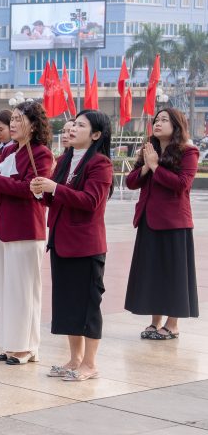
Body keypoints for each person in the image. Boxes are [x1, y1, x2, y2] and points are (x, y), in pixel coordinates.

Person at [31, 110, 114, 382]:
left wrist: (54, 187)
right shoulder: (65, 159)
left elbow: (91, 201)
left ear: (96, 135)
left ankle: (90, 363)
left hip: (86, 245)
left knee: (88, 304)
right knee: (68, 303)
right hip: (62, 241)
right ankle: (75, 358)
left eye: (81, 125)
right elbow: (56, 200)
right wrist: (42, 192)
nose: (73, 129)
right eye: (74, 124)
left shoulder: (100, 164)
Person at [0, 101, 52, 365]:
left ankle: (27, 347)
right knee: (5, 290)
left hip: (26, 229)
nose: (13, 124)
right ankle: (10, 343)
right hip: (1, 227)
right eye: (12, 119)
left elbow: (31, 189)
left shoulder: (41, 154)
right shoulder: (9, 152)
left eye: (19, 119)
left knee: (24, 290)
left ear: (34, 124)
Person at [125, 107, 200, 340]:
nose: (158, 123)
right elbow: (131, 182)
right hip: (148, 220)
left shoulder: (188, 151)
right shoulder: (150, 150)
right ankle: (155, 322)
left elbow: (181, 184)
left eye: (164, 120)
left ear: (176, 125)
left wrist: (156, 167)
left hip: (174, 222)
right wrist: (147, 166)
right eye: (156, 120)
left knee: (173, 273)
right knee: (152, 271)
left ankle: (173, 324)